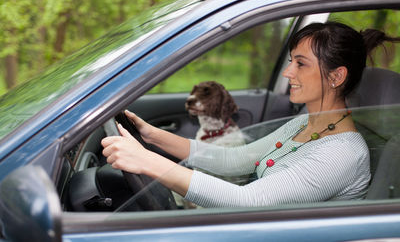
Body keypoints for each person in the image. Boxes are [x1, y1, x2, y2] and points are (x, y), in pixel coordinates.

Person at [101, 21, 400, 208]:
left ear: (336, 77)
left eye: (301, 64)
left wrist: (147, 161)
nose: (288, 72)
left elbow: (250, 201)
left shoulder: (343, 153)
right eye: (290, 62)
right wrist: (152, 137)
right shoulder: (304, 123)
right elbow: (234, 159)